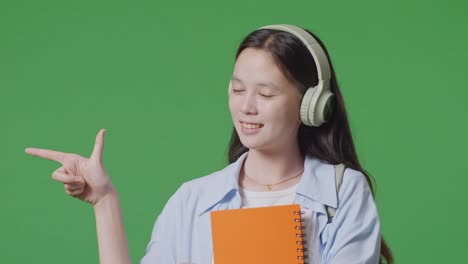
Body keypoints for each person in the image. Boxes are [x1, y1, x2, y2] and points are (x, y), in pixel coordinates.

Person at [25, 24, 393, 264]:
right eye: (237, 89)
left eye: (265, 93)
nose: (246, 106)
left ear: (310, 104)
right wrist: (104, 202)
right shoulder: (193, 200)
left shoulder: (344, 193)